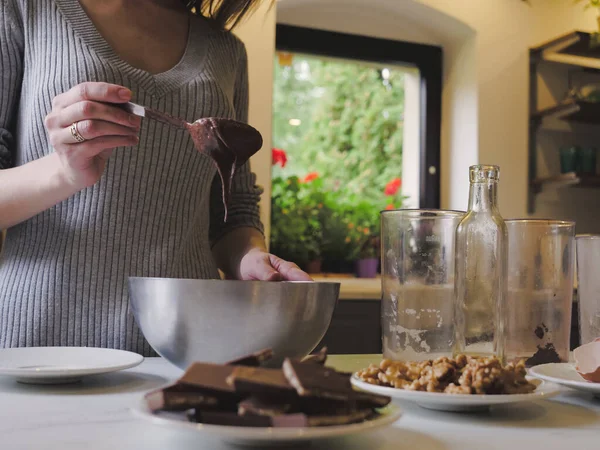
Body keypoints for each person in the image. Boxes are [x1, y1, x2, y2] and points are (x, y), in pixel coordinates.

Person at [0, 0, 311, 356]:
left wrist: (251, 259)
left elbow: (234, 212)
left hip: (187, 349)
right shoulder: (26, 7)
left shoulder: (228, 52)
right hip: (41, 348)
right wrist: (62, 172)